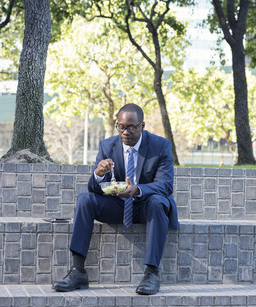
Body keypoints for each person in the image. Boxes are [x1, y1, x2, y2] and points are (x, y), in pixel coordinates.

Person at [52, 103, 179, 295]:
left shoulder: (160, 146)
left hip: (147, 206)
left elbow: (165, 185)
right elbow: (94, 188)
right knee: (85, 200)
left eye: (132, 127)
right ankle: (78, 271)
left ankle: (151, 273)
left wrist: (137, 190)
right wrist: (98, 174)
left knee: (157, 202)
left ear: (142, 126)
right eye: (121, 127)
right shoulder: (107, 146)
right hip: (119, 205)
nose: (126, 132)